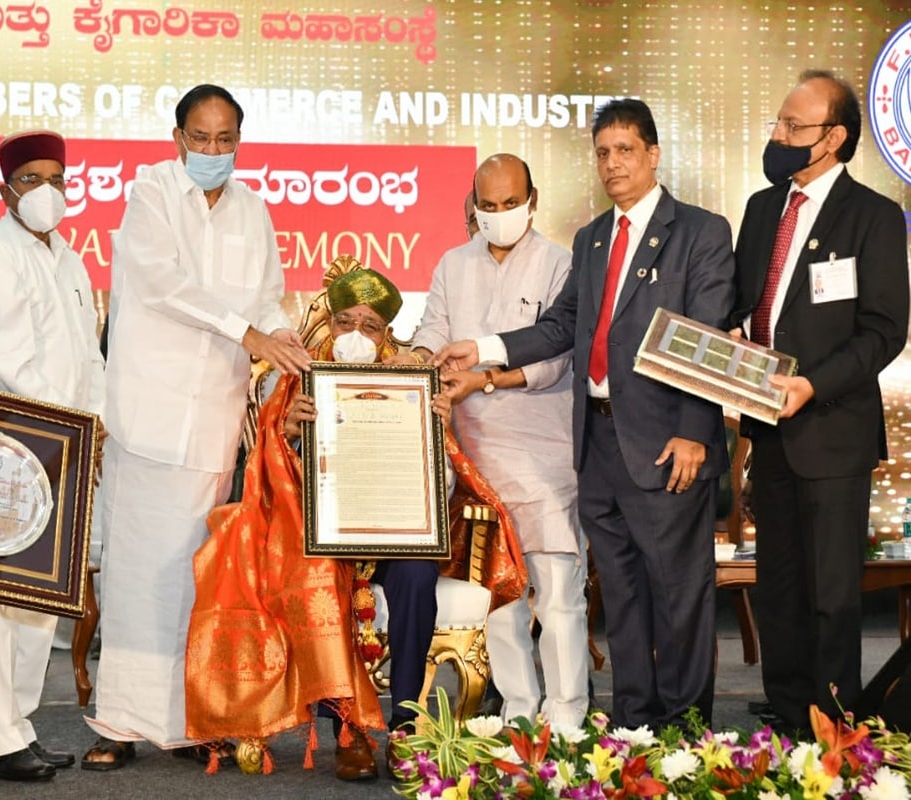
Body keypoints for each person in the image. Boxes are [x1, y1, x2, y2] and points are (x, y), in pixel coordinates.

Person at [432, 99, 735, 730]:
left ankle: (685, 731)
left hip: (665, 442)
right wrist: (483, 349)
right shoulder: (593, 239)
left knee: (677, 594)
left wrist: (693, 432)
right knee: (620, 594)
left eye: (625, 150)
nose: (612, 163)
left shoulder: (700, 232)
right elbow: (562, 327)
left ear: (653, 154)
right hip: (595, 440)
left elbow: (706, 336)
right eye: (603, 152)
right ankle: (634, 724)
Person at [185, 268, 527, 780]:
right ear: (329, 324)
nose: (356, 334)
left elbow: (443, 490)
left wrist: (431, 433)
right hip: (318, 542)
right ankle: (349, 733)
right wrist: (290, 437)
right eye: (345, 321)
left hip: (391, 536)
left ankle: (406, 725)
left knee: (416, 575)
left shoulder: (413, 387)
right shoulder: (297, 384)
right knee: (323, 575)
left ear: (386, 334)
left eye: (370, 325)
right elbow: (263, 480)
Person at [85, 84, 310, 770]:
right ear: (178, 137)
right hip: (150, 414)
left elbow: (267, 297)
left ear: (239, 142)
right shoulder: (150, 193)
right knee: (135, 574)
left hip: (214, 418)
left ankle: (189, 720)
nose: (213, 150)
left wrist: (282, 337)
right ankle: (119, 722)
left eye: (225, 140)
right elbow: (164, 285)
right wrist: (249, 333)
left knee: (195, 574)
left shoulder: (253, 210)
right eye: (201, 137)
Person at [729, 70, 909, 732]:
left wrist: (812, 384)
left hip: (833, 430)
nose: (778, 136)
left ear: (833, 137)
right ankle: (786, 714)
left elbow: (884, 330)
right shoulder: (760, 209)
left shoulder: (873, 216)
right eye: (777, 123)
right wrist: (727, 337)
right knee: (777, 587)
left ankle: (834, 724)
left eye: (793, 126)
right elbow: (742, 304)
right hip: (768, 429)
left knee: (832, 594)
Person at [410, 154, 587, 731]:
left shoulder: (562, 264)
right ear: (474, 205)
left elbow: (555, 358)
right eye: (488, 205)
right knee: (498, 596)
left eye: (510, 203)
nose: (499, 214)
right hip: (475, 455)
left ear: (533, 201)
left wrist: (483, 379)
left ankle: (567, 715)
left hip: (544, 453)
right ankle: (517, 712)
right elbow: (434, 329)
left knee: (557, 592)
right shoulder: (454, 263)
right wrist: (416, 359)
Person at [0, 130, 105, 782]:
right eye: (31, 179)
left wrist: (96, 419)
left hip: (65, 446)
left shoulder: (68, 257)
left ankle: (20, 727)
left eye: (56, 179)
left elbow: (90, 354)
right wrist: (72, 422)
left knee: (41, 597)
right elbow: (7, 357)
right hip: (7, 446)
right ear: (4, 189)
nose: (46, 191)